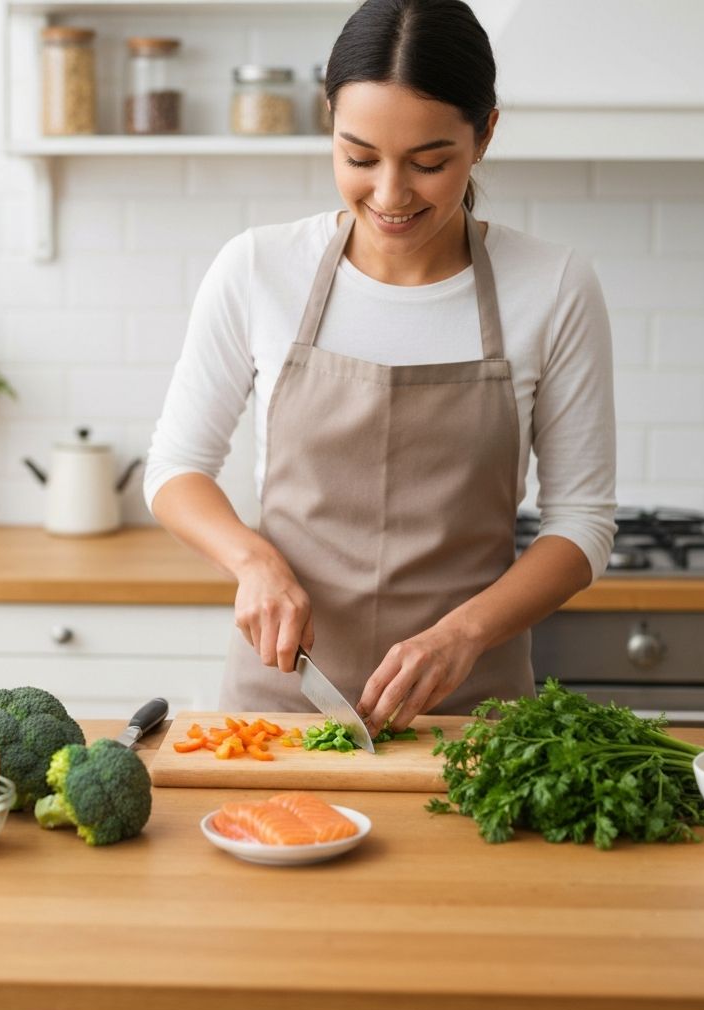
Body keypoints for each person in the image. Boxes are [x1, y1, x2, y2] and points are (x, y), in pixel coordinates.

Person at [144, 0, 616, 735]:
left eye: (430, 163)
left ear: (485, 133)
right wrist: (253, 561)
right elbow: (175, 469)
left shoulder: (554, 286)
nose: (390, 195)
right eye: (359, 158)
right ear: (328, 122)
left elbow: (582, 525)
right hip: (280, 710)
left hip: (471, 721)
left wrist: (463, 634)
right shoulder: (258, 268)